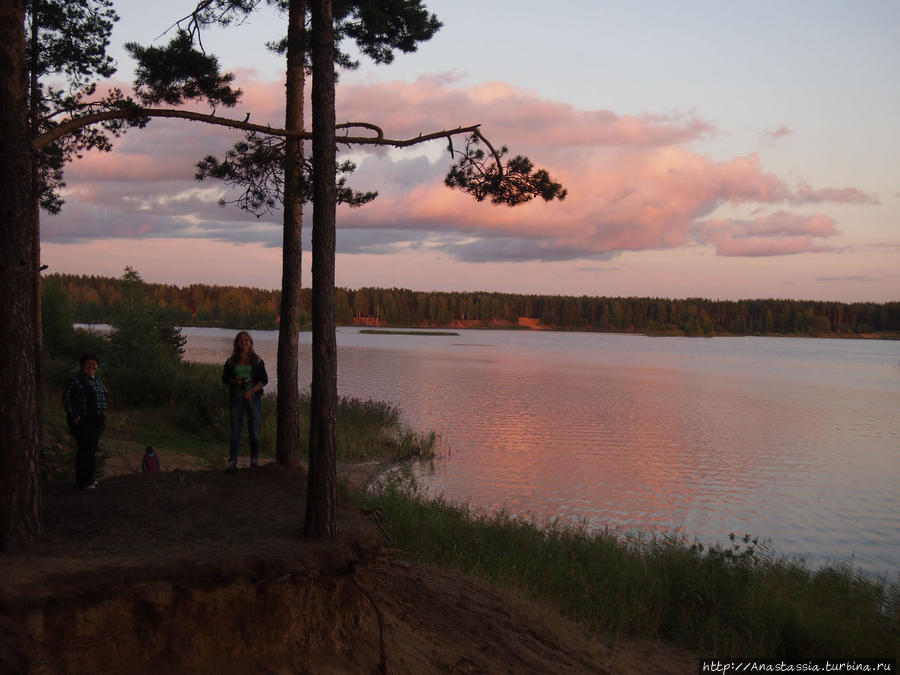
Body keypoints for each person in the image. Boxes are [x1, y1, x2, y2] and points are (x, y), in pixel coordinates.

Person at [222, 331, 268, 472]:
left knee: (254, 431)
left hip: (253, 400)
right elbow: (225, 379)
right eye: (240, 340)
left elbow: (264, 380)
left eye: (246, 340)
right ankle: (233, 461)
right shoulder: (231, 361)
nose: (243, 342)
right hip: (236, 399)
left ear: (250, 343)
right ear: (237, 343)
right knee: (235, 430)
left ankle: (254, 460)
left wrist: (252, 391)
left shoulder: (257, 361)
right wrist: (234, 381)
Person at [63, 354, 108, 490]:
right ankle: (83, 482)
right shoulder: (76, 379)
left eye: (94, 363)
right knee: (85, 450)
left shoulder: (96, 379)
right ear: (82, 365)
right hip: (84, 420)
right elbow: (67, 398)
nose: (91, 366)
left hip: (98, 420)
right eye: (88, 363)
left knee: (92, 450)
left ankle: (90, 479)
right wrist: (74, 415)